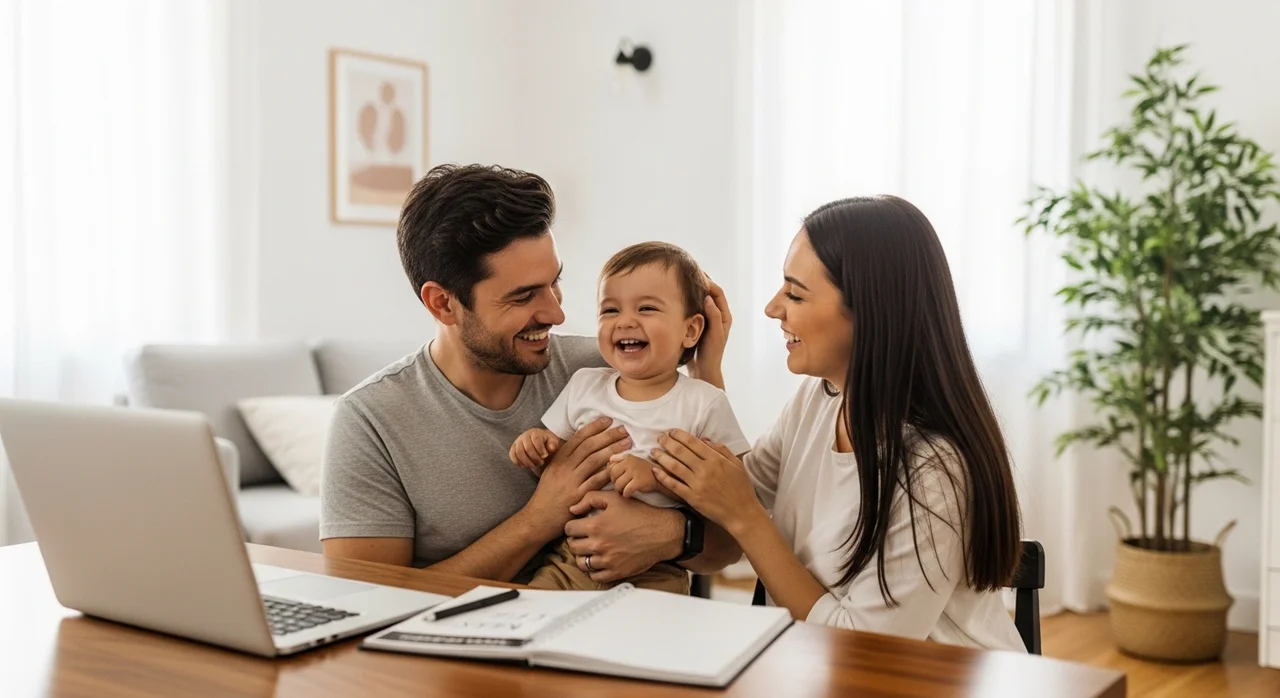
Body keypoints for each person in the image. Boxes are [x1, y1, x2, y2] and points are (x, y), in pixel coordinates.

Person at [319, 164, 740, 583]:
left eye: (554, 283)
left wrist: (671, 533)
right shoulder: (369, 421)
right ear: (443, 304)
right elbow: (367, 599)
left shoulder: (612, 369)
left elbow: (728, 544)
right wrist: (539, 518)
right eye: (524, 297)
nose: (557, 313)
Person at [650, 196, 1026, 651]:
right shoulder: (818, 401)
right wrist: (705, 376)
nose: (772, 308)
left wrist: (748, 518)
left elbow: (863, 647)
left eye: (795, 293)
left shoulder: (932, 466)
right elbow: (728, 490)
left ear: (867, 309)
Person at [510, 242, 751, 593]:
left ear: (691, 330)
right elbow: (554, 453)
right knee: (531, 613)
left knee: (648, 638)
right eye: (609, 310)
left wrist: (655, 478)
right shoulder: (584, 384)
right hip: (569, 559)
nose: (624, 321)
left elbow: (733, 494)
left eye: (647, 308)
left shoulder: (704, 402)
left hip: (654, 571)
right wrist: (536, 444)